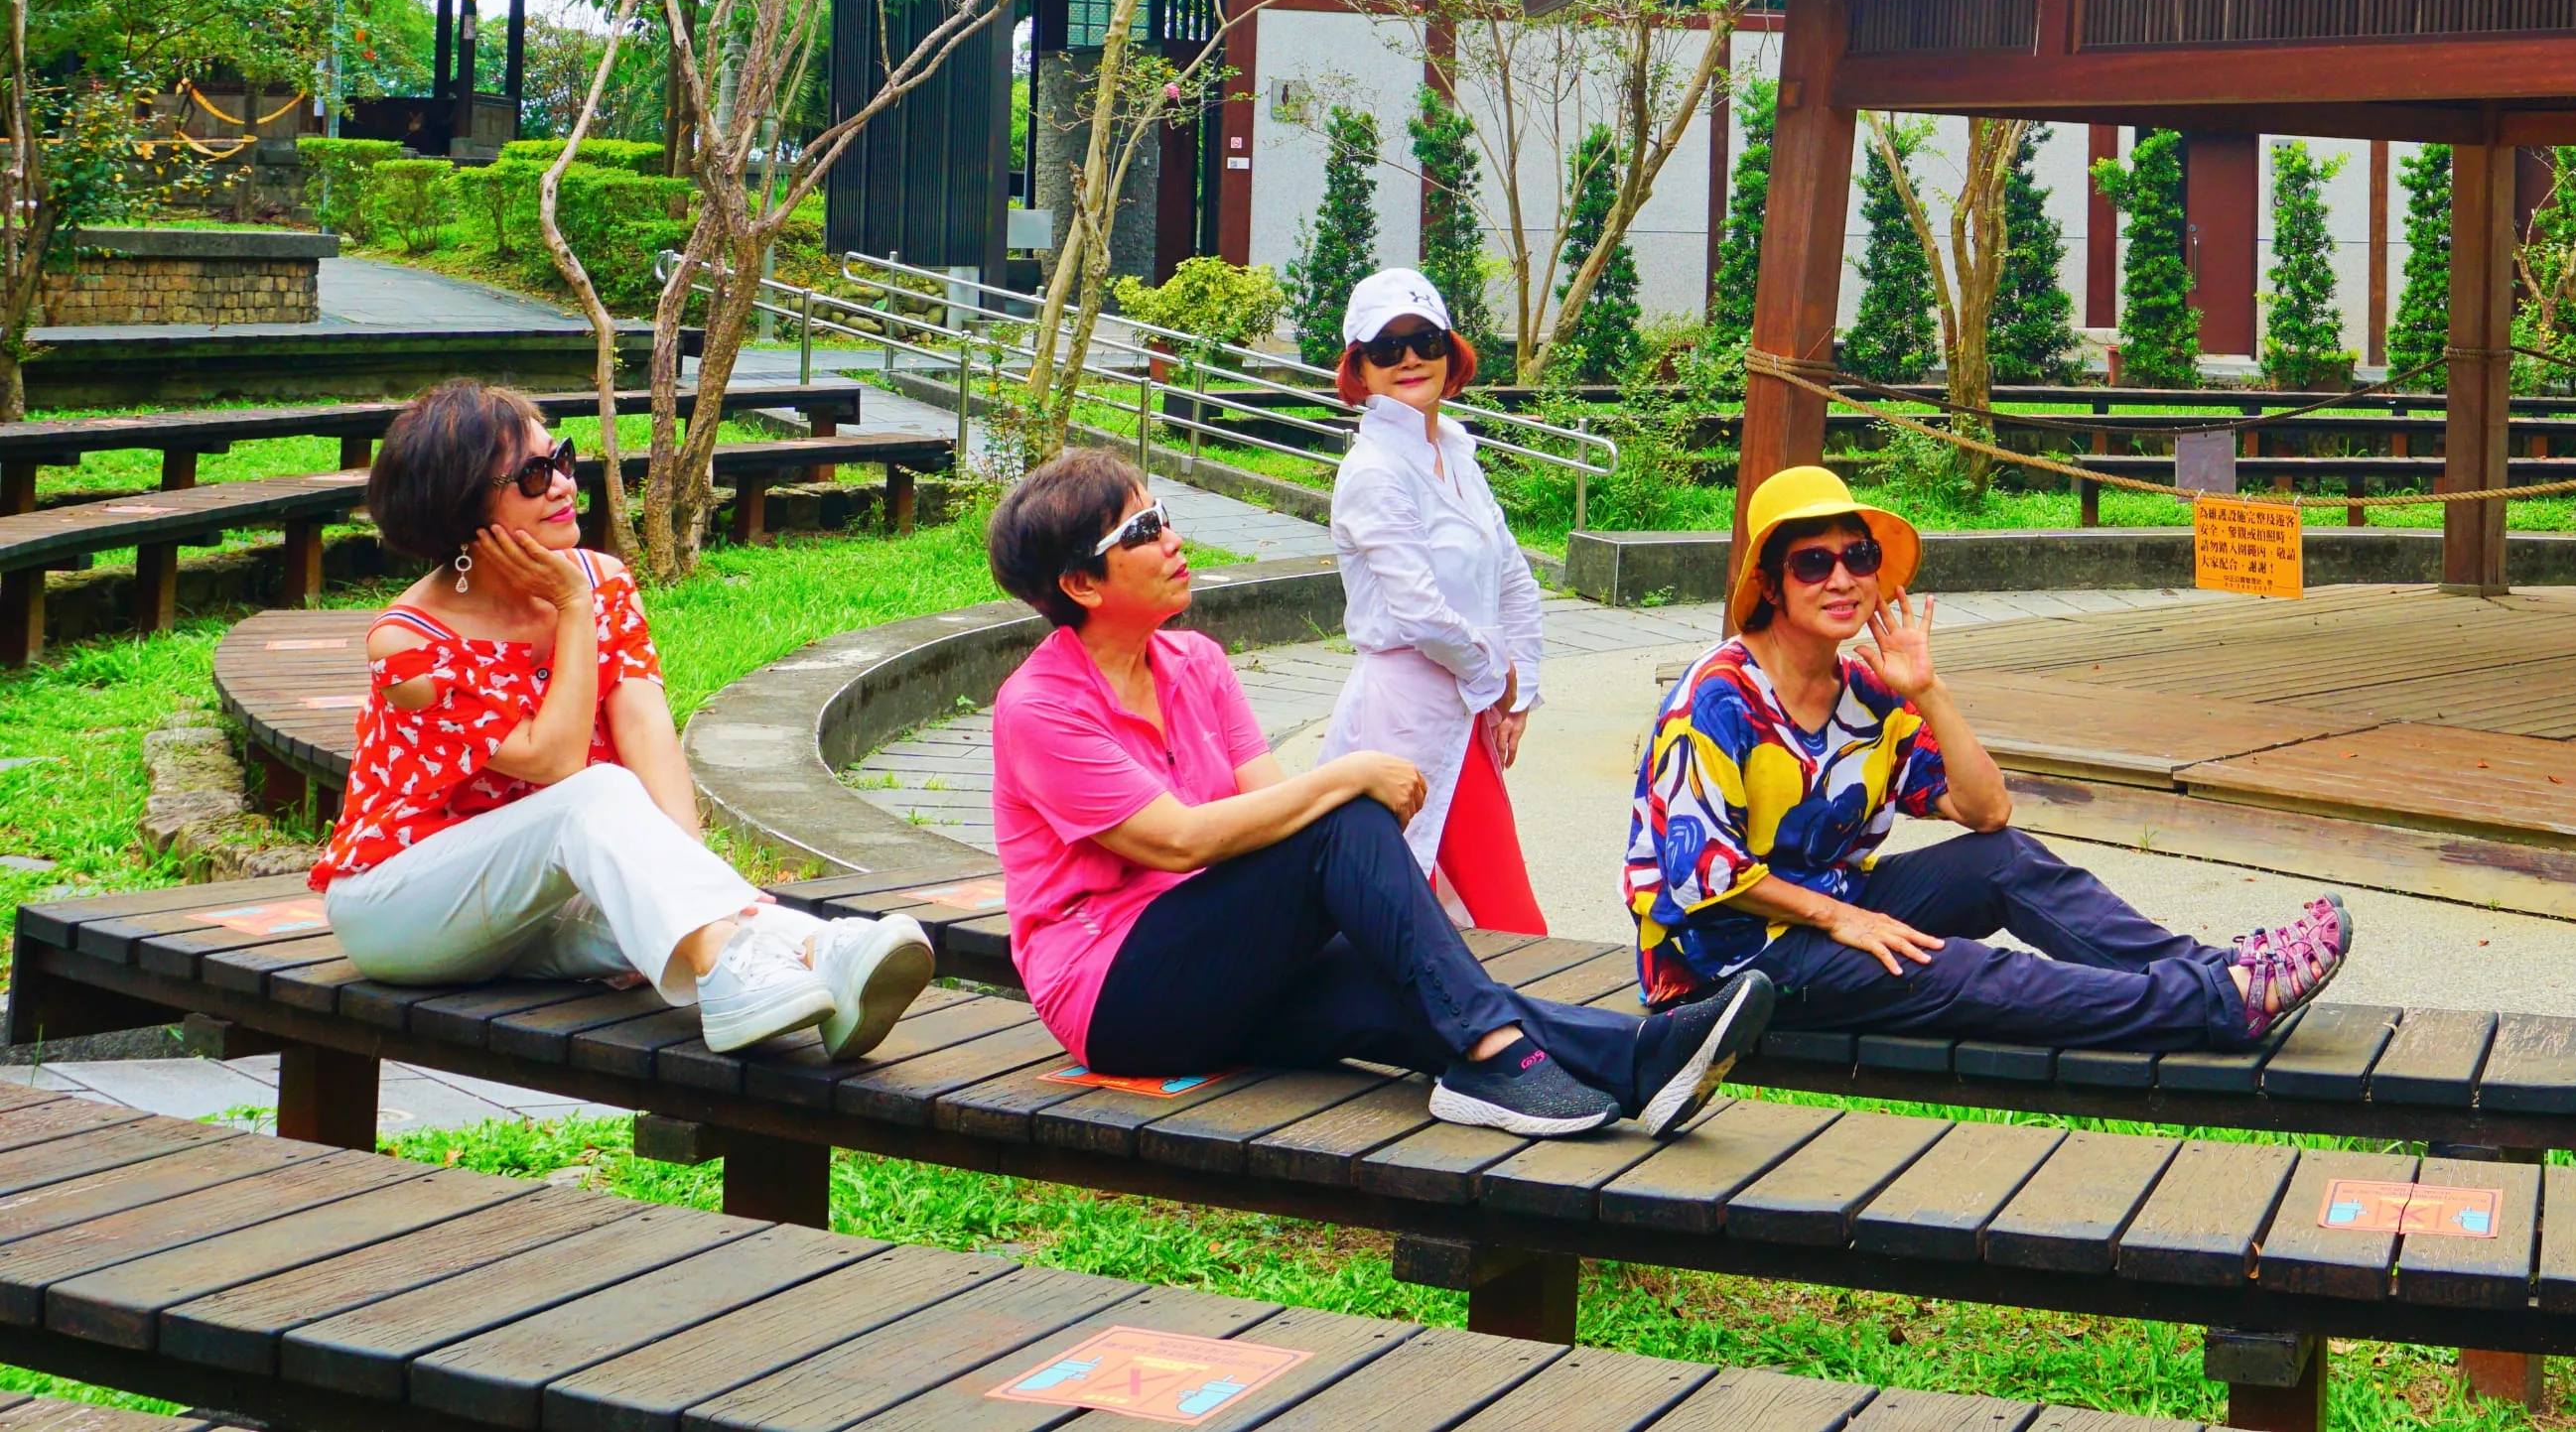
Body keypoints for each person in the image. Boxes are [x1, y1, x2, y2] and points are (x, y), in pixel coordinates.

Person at [986, 449, 1772, 1136]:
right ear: (1083, 583)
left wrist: (1340, 819)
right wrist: (1353, 775)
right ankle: (1498, 1059)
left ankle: (1639, 1062)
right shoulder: (1043, 706)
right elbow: (1180, 840)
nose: (1173, 539)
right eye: (1142, 531)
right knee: (1345, 822)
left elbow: (1267, 813)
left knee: (1415, 984)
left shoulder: (1196, 662)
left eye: (1162, 515)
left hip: (1220, 966)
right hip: (1119, 998)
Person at [1623, 462, 2351, 1050]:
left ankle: (2217, 970)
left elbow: (1986, 810)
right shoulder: (1716, 698)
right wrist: (1841, 920)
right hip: (1722, 961)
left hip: (1827, 907)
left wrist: (1929, 692)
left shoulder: (1866, 693)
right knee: (1954, 970)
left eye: (1858, 557)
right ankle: (2216, 1003)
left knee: (2003, 860)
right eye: (1813, 563)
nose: (1841, 579)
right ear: (1772, 587)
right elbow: (1700, 876)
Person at [314, 378, 933, 1059]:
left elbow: (649, 740)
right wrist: (573, 610)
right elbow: (554, 762)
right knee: (601, 796)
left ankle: (825, 955)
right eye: (531, 475)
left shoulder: (603, 580)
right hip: (402, 907)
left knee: (671, 910)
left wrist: (687, 870)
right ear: (461, 507)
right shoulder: (409, 643)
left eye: (562, 459)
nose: (561, 486)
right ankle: (747, 972)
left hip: (534, 902)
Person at [1317, 267, 1546, 932]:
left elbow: (1513, 579)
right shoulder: (1373, 472)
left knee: (1460, 919)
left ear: (1452, 351)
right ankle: (1567, 1031)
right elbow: (1418, 613)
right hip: (1406, 718)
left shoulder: (1454, 452)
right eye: (1386, 348)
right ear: (1359, 368)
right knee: (1490, 920)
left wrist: (1518, 692)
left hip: (1469, 710)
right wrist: (1493, 678)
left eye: (1425, 339)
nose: (1410, 357)